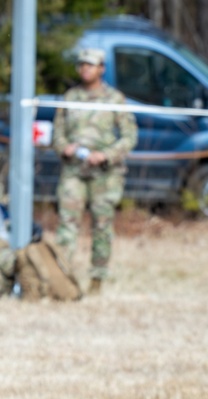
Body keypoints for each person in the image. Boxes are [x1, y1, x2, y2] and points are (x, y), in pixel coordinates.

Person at [52, 47, 137, 295]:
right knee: (67, 225)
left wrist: (106, 155)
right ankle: (63, 278)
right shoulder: (70, 97)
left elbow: (130, 137)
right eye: (82, 64)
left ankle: (97, 281)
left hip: (104, 175)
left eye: (90, 65)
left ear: (101, 69)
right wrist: (64, 148)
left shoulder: (115, 99)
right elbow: (57, 133)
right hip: (74, 172)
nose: (85, 69)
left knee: (102, 226)